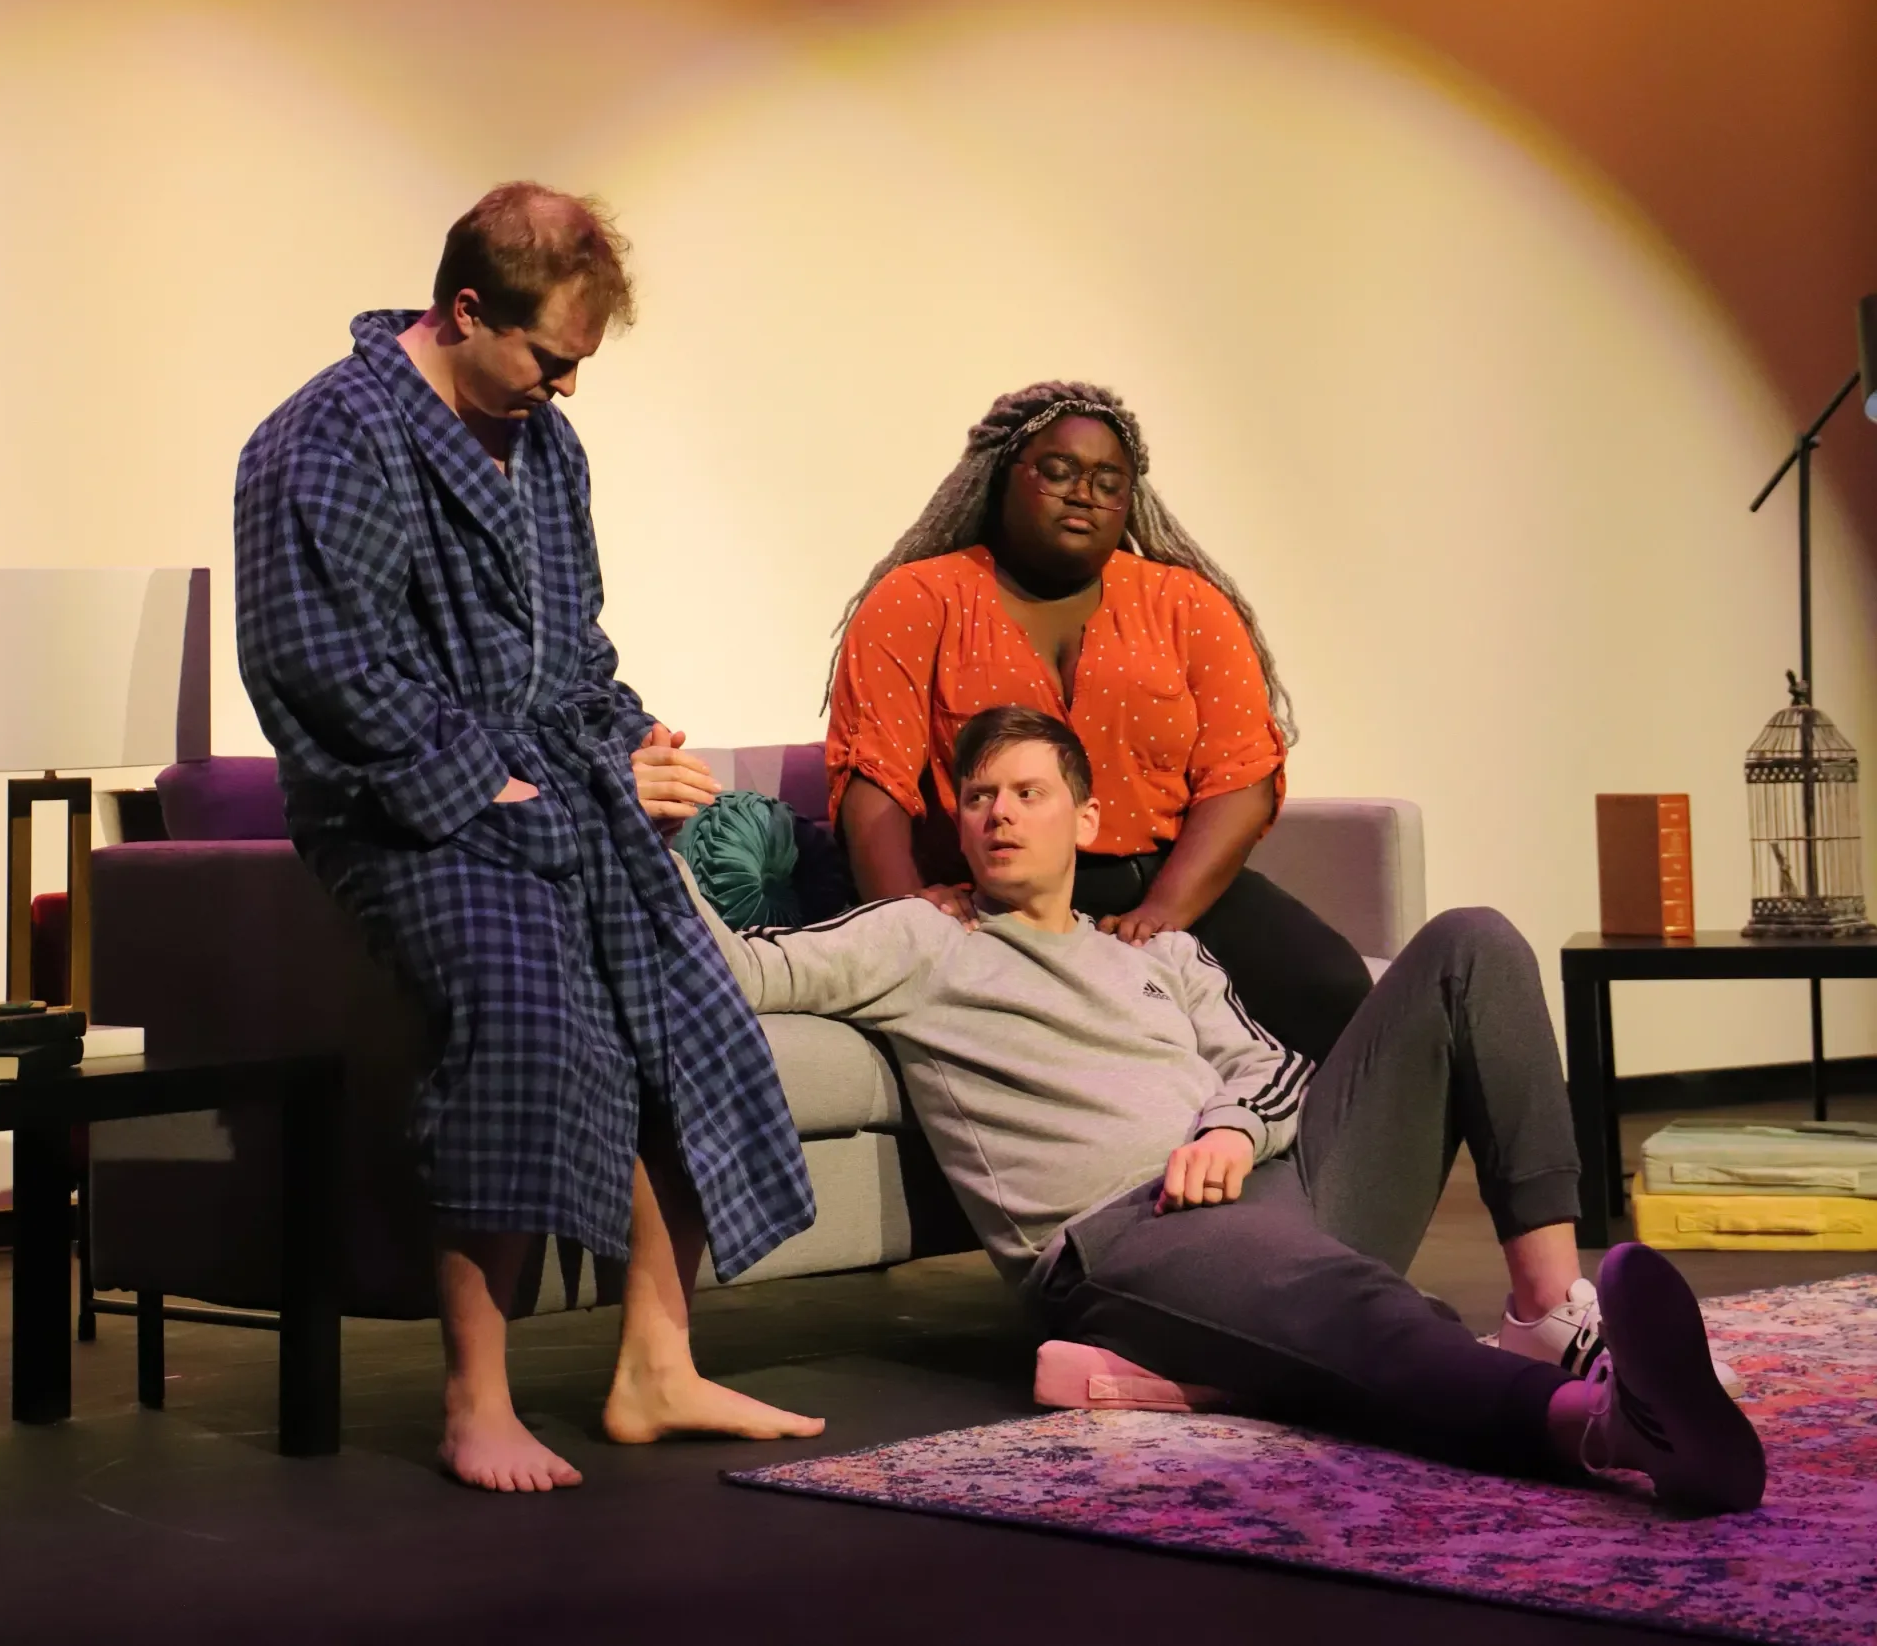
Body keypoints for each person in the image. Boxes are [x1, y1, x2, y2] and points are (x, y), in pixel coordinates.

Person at [692, 704, 1765, 1512]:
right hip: (1126, 1232)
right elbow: (739, 971)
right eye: (978, 798)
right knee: (1353, 1313)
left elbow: (1275, 1076)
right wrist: (636, 836)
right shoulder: (918, 937)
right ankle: (1602, 1426)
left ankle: (1544, 1315)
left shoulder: (1157, 949)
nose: (998, 813)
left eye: (1027, 791)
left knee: (1469, 940)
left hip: (1274, 1182)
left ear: (1086, 817)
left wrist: (1228, 1128)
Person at [235, 181, 823, 1494]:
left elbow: (576, 651)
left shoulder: (546, 448)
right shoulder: (326, 439)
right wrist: (481, 781)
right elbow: (314, 663)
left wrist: (632, 748)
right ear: (463, 310)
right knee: (524, 1009)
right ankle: (476, 1397)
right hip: (397, 803)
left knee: (687, 997)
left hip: (551, 781)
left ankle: (657, 1365)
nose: (566, 389)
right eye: (551, 359)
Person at [826, 380, 1371, 1065]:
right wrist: (905, 921)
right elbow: (874, 777)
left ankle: (1307, 1169)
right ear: (1002, 477)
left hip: (1162, 882)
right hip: (998, 890)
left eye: (1109, 481)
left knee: (1331, 988)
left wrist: (1163, 915)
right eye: (1058, 472)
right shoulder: (917, 599)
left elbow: (1242, 777)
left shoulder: (1186, 604)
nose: (1084, 494)